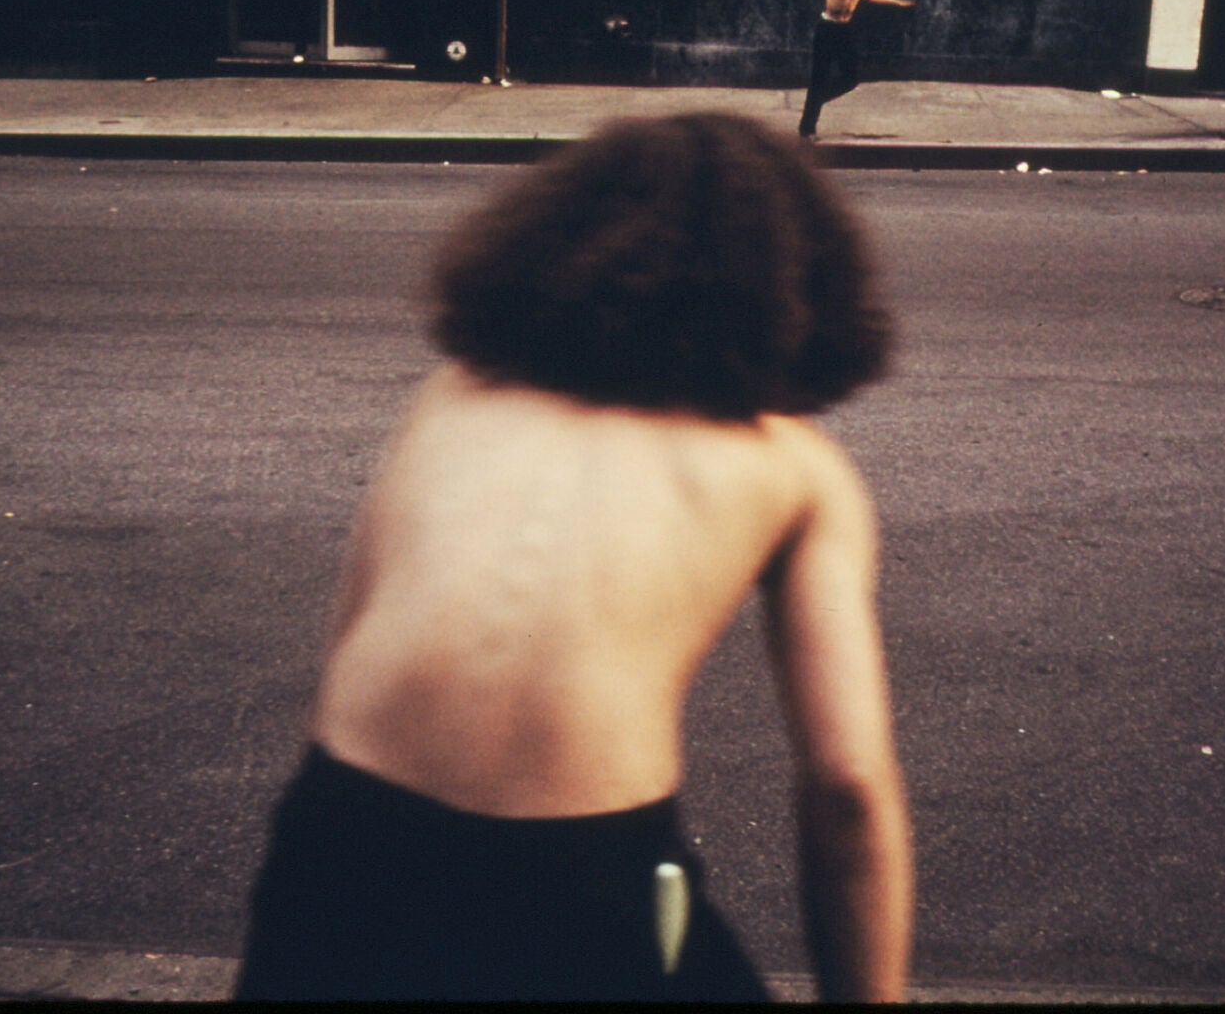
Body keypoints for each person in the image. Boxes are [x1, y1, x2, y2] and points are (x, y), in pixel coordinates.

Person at [235, 113, 913, 1003]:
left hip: (343, 836)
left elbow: (348, 646)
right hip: (583, 877)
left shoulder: (454, 394)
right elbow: (849, 790)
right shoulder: (797, 471)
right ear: (795, 284)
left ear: (560, 242)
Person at [773, 0, 915, 140]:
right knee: (819, 77)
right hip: (826, 28)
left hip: (843, 30)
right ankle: (807, 129)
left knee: (850, 79)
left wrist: (898, 2)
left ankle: (817, 99)